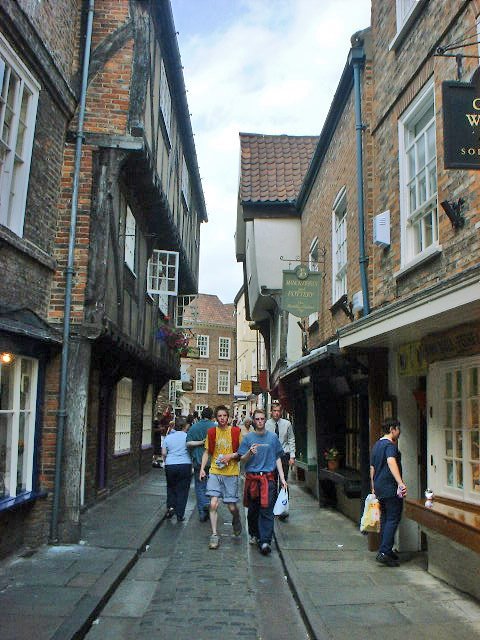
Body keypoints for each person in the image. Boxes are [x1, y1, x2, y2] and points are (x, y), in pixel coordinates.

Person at [237, 408, 287, 555]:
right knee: (253, 511)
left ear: (265, 420)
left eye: (262, 419)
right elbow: (242, 459)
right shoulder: (248, 438)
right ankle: (254, 533)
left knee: (266, 510)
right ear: (253, 420)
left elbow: (278, 457)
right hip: (253, 479)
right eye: (257, 419)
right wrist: (249, 453)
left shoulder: (272, 438)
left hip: (268, 479)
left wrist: (282, 478)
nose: (260, 421)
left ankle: (265, 540)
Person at [199, 405, 242, 549]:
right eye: (219, 416)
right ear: (216, 418)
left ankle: (236, 518)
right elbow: (206, 452)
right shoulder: (212, 432)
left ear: (228, 417)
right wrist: (202, 469)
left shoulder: (236, 432)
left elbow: (241, 452)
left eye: (224, 416)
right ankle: (214, 534)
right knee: (213, 503)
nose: (222, 418)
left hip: (231, 473)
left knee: (231, 507)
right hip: (215, 471)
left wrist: (231, 456)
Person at [370, 418, 407, 567]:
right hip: (390, 487)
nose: (399, 432)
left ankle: (386, 549)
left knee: (385, 519)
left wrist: (373, 486)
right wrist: (400, 482)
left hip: (379, 487)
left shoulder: (377, 445)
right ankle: (384, 552)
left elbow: (372, 468)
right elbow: (391, 462)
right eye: (398, 429)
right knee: (393, 518)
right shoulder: (390, 446)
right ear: (392, 429)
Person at [265, 402, 295, 519]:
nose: (276, 413)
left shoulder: (287, 424)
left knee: (283, 482)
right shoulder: (267, 424)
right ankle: (272, 507)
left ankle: (283, 508)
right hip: (271, 456)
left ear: (281, 412)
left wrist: (292, 456)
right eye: (274, 411)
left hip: (284, 455)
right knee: (272, 482)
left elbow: (291, 439)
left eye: (278, 411)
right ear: (271, 412)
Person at [186, 406, 215, 522]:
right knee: (212, 486)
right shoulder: (215, 427)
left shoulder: (194, 427)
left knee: (199, 486)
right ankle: (208, 504)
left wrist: (199, 444)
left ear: (201, 415)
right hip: (212, 461)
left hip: (198, 460)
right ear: (212, 416)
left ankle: (203, 511)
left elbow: (188, 443)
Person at [162, 416, 192, 522]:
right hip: (185, 464)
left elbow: (164, 453)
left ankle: (170, 507)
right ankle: (180, 514)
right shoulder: (188, 437)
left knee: (171, 487)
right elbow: (190, 451)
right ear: (184, 426)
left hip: (170, 464)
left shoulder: (168, 437)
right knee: (183, 490)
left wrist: (166, 462)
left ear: (175, 425)